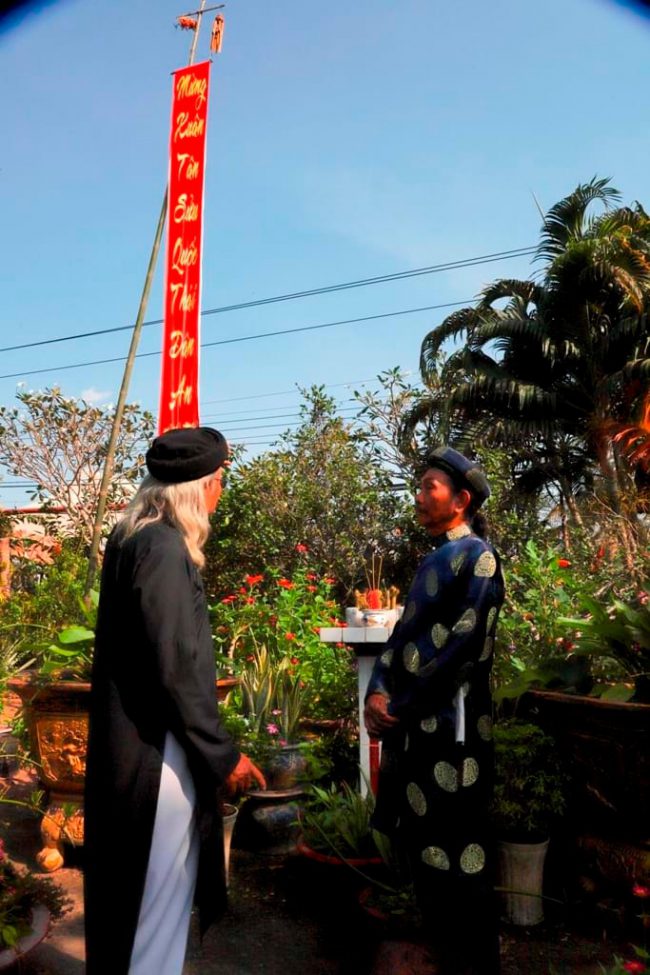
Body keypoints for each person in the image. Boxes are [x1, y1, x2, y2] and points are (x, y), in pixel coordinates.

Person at [84, 427, 266, 975]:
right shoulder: (162, 547)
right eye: (219, 482)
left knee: (140, 899)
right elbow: (175, 668)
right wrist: (223, 755)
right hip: (155, 755)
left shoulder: (134, 537)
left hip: (141, 748)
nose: (220, 493)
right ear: (199, 489)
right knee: (155, 902)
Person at [364, 446, 505, 975]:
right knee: (425, 848)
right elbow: (401, 638)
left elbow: (463, 649)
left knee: (460, 853)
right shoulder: (432, 558)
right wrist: (375, 693)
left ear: (461, 499)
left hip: (455, 731)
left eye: (430, 488)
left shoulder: (480, 557)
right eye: (419, 487)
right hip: (417, 728)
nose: (419, 497)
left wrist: (398, 703)